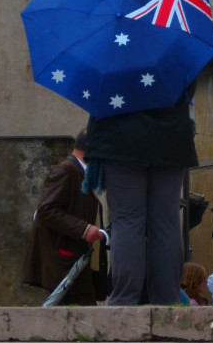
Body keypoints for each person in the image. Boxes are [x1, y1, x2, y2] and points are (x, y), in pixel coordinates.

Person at [83, 83, 197, 305]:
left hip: (119, 137)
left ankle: (124, 301)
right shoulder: (174, 48)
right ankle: (168, 301)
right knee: (166, 221)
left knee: (127, 222)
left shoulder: (109, 48)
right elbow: (188, 85)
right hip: (171, 135)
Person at [23, 128, 106, 305]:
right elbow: (46, 210)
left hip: (77, 266)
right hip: (65, 265)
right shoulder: (66, 171)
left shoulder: (82, 174)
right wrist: (84, 230)